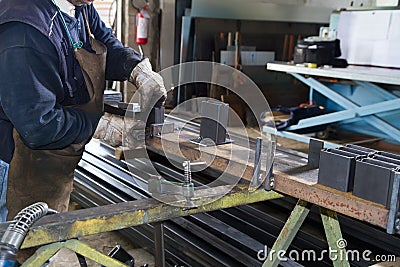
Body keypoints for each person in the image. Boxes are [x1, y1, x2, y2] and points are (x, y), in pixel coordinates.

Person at [0, 0, 166, 224]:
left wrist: (136, 69)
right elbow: (38, 125)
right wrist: (102, 126)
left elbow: (104, 42)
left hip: (47, 157)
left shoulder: (79, 5)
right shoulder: (24, 31)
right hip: (10, 160)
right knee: (9, 247)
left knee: (40, 242)